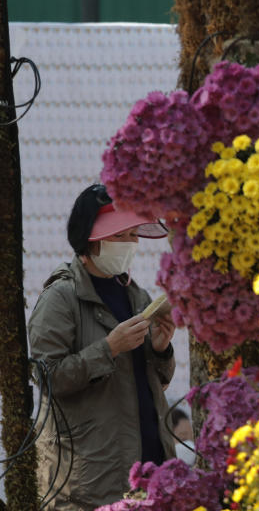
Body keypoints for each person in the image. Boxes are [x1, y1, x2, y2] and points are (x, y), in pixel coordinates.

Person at [28, 183, 176, 510]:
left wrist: (160, 349)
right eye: (120, 236)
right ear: (91, 240)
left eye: (134, 235)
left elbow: (156, 382)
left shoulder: (134, 294)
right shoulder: (62, 297)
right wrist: (108, 347)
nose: (130, 245)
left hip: (152, 467)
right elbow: (48, 377)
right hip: (92, 480)